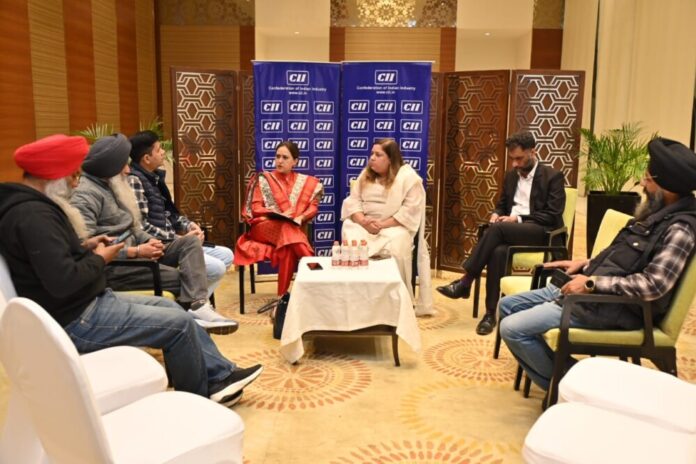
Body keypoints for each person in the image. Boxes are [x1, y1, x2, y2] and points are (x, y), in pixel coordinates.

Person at [0, 134, 263, 406]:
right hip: (77, 318)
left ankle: (220, 377)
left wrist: (86, 246)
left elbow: (54, 260)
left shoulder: (34, 209)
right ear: (53, 175)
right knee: (180, 325)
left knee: (172, 308)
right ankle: (197, 400)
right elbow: (63, 280)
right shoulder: (34, 217)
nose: (76, 182)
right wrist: (101, 257)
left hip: (87, 302)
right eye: (73, 175)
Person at [499, 137, 696, 392]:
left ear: (667, 188)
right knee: (506, 306)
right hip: (590, 293)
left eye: (648, 179)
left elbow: (653, 285)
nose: (642, 184)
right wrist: (585, 263)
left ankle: (576, 389)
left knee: (512, 329)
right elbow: (624, 257)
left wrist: (592, 283)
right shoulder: (655, 216)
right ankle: (569, 378)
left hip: (609, 307)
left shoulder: (680, 229)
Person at [70, 134, 237, 333]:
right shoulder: (85, 196)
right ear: (110, 168)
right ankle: (188, 320)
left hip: (142, 253)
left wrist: (150, 241)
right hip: (119, 267)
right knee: (187, 278)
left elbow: (133, 227)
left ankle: (197, 307)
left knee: (190, 243)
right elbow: (86, 250)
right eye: (123, 165)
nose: (128, 170)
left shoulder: (111, 186)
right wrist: (136, 251)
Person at [437, 131, 565, 335]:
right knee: (497, 252)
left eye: (519, 158)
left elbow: (552, 215)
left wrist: (518, 219)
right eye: (512, 159)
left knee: (497, 229)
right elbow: (503, 204)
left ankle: (466, 281)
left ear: (533, 151)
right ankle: (490, 314)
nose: (514, 164)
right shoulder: (511, 176)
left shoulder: (552, 176)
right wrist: (496, 213)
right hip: (510, 231)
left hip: (541, 231)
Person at [127, 130, 234, 297]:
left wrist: (189, 226)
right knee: (216, 268)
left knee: (227, 255)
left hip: (174, 242)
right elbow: (142, 226)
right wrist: (180, 239)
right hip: (161, 247)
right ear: (146, 158)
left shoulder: (155, 178)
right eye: (159, 149)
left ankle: (191, 304)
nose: (163, 152)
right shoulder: (135, 180)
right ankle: (193, 303)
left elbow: (170, 214)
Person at [341, 138, 434, 316]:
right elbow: (353, 202)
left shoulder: (408, 178)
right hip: (365, 225)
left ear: (390, 159)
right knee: (349, 227)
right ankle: (357, 298)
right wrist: (363, 221)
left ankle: (394, 301)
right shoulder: (365, 175)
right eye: (372, 154)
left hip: (393, 226)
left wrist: (382, 224)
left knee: (398, 242)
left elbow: (409, 212)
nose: (372, 158)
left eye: (378, 155)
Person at [234, 141, 323, 299]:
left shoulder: (306, 182)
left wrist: (301, 217)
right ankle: (313, 265)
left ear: (295, 161)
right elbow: (255, 208)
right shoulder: (263, 180)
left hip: (288, 232)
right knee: (287, 228)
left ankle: (281, 297)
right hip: (263, 227)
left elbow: (313, 207)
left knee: (287, 245)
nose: (279, 161)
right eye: (277, 157)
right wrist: (276, 213)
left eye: (285, 157)